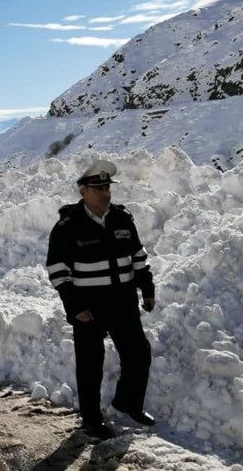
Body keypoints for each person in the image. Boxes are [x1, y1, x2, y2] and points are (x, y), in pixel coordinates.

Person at [46, 160, 156, 439]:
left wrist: (148, 289)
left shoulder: (122, 218)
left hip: (123, 302)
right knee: (90, 364)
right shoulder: (68, 226)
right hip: (89, 308)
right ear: (83, 192)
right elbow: (58, 271)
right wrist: (75, 307)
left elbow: (138, 258)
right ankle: (92, 420)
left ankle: (128, 403)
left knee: (138, 353)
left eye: (107, 187)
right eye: (98, 188)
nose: (105, 192)